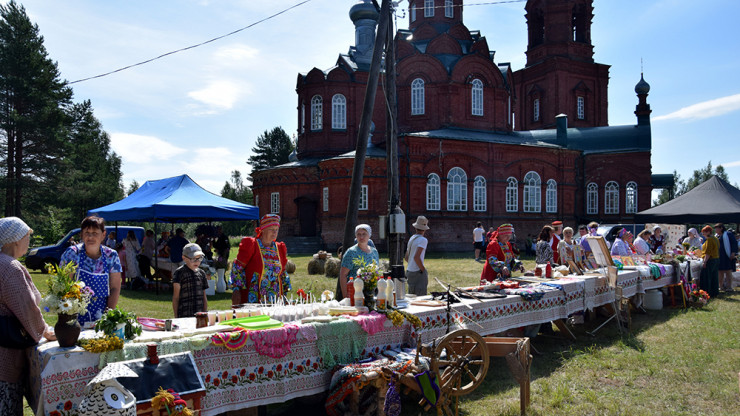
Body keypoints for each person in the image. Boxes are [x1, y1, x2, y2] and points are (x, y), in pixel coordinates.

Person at [0, 217, 56, 415]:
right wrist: (45, 331)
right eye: (27, 236)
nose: (29, 242)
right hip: (5, 360)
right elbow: (27, 309)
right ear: (15, 239)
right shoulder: (10, 267)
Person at [60, 215, 123, 327]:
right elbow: (64, 286)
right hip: (74, 316)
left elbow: (115, 287)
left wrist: (107, 316)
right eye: (87, 233)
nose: (90, 237)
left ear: (103, 235)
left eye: (95, 233)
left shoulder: (111, 256)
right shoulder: (72, 253)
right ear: (81, 235)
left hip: (102, 315)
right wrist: (69, 316)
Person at [230, 214, 290, 304]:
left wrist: (285, 293)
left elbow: (283, 273)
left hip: (275, 299)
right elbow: (237, 268)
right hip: (254, 299)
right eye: (271, 229)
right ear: (263, 230)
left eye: (276, 230)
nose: (274, 232)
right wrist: (236, 289)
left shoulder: (279, 248)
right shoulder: (252, 245)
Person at [339, 224, 380, 300]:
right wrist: (345, 297)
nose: (361, 237)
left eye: (364, 234)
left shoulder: (374, 252)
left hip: (371, 293)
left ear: (369, 235)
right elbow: (343, 275)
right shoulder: (351, 252)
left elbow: (376, 272)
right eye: (359, 234)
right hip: (354, 293)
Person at [172, 243, 209, 318]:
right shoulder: (179, 273)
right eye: (193, 259)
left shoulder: (202, 273)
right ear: (184, 258)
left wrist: (205, 312)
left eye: (199, 258)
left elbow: (204, 296)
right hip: (184, 315)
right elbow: (176, 297)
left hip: (199, 315)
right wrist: (176, 316)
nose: (197, 261)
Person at [405, 216, 429, 295]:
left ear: (415, 227)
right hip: (417, 272)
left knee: (411, 297)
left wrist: (412, 264)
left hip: (409, 271)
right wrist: (423, 269)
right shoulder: (423, 240)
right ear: (425, 229)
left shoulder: (412, 238)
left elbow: (406, 257)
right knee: (420, 297)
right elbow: (416, 257)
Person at [714, 223, 737, 292]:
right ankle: (721, 286)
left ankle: (729, 287)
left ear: (721, 228)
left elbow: (734, 243)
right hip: (719, 256)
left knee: (728, 271)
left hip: (727, 255)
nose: (715, 230)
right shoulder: (716, 236)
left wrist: (733, 253)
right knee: (720, 271)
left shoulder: (728, 234)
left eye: (716, 228)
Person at [700, 225, 719, 297]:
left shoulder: (710, 240)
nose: (703, 234)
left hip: (710, 260)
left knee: (707, 277)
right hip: (716, 259)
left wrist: (705, 262)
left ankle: (707, 292)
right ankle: (714, 292)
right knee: (714, 277)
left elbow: (708, 252)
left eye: (704, 232)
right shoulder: (715, 238)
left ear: (708, 232)